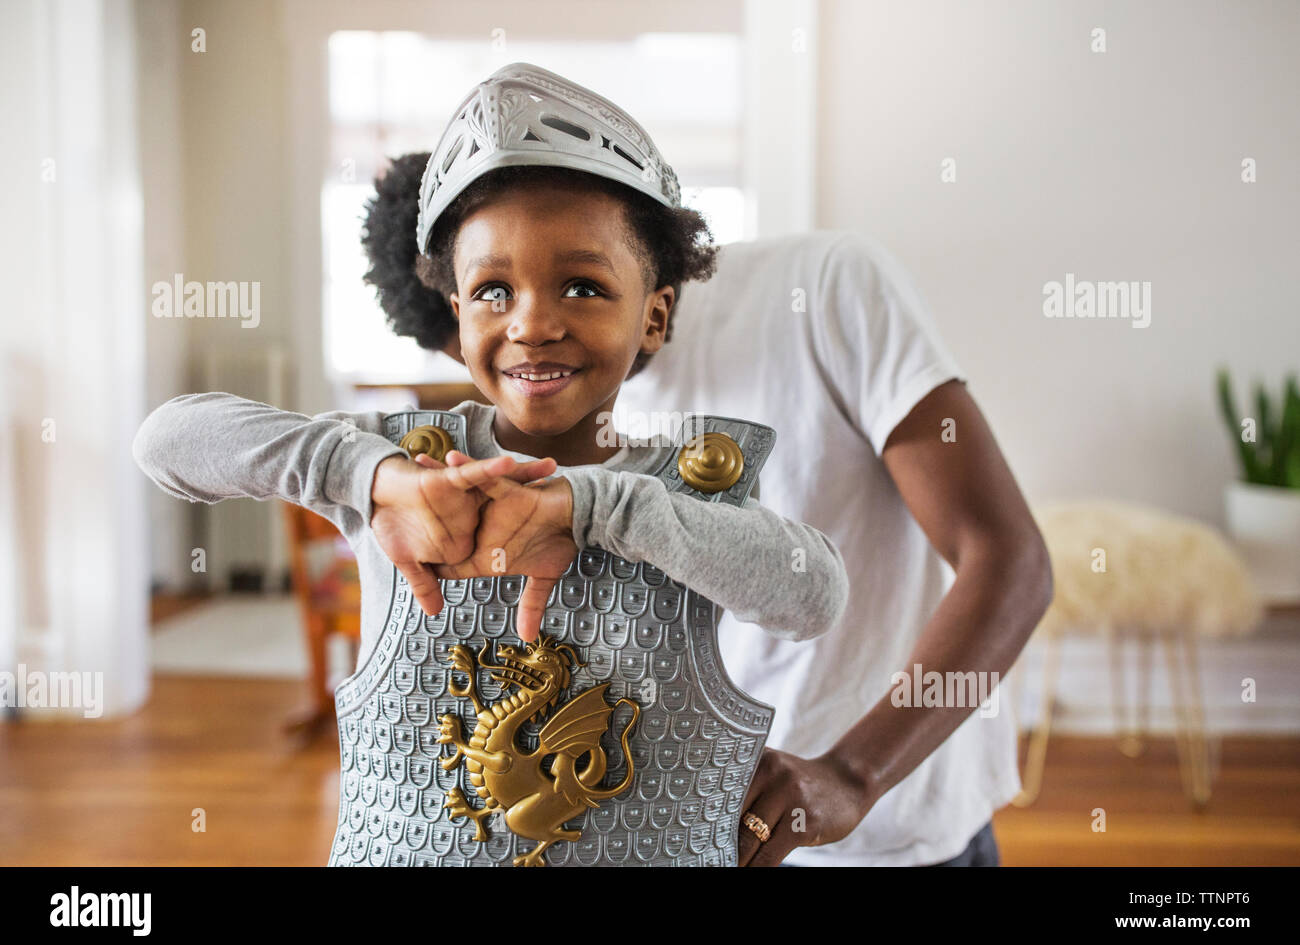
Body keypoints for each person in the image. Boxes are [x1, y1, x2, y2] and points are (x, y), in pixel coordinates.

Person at [133, 63, 850, 866]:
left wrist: (598, 509)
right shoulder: (405, 474)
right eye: (493, 291)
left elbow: (813, 594)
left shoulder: (685, 495)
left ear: (656, 312)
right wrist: (361, 475)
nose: (533, 323)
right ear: (456, 308)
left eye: (582, 285)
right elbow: (165, 440)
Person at [361, 141, 1052, 866]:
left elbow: (1009, 560)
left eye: (566, 286)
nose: (526, 351)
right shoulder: (525, 423)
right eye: (485, 313)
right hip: (708, 835)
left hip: (891, 825)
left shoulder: (825, 289)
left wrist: (853, 772)